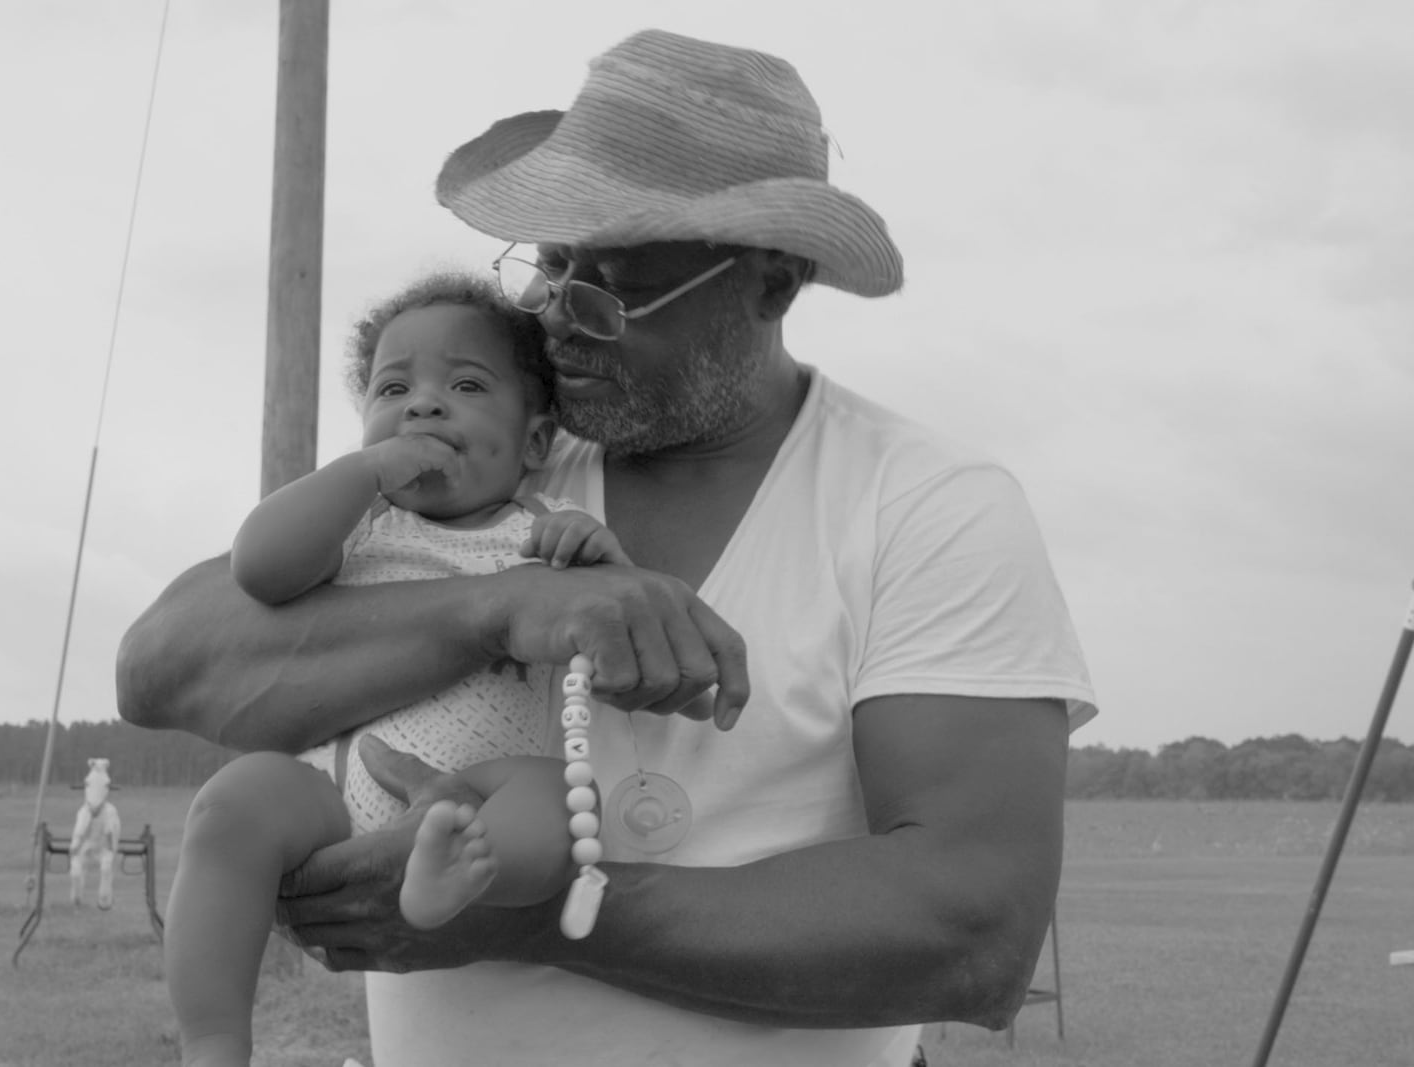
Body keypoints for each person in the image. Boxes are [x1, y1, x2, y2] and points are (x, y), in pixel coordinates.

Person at [118, 29, 1097, 1067]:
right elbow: (166, 663)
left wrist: (534, 913)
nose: (553, 322)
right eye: (550, 267)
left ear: (771, 279)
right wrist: (499, 608)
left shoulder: (926, 505)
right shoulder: (498, 455)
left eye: (610, 289)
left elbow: (974, 929)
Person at [164, 272, 633, 1067]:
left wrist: (597, 561)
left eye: (466, 384)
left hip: (476, 790)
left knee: (555, 802)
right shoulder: (359, 527)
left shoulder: (546, 531)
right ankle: (212, 1043)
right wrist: (362, 474)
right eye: (394, 388)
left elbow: (616, 625)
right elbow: (260, 565)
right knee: (229, 806)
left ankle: (449, 875)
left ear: (536, 442)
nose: (423, 404)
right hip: (331, 787)